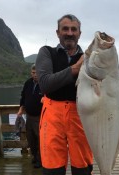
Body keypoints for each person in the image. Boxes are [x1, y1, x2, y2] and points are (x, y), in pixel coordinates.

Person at [35, 14, 93, 175]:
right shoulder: (46, 52)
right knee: (52, 168)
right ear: (57, 32)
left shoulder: (91, 58)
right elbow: (45, 84)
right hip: (52, 117)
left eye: (74, 29)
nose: (69, 33)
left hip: (81, 115)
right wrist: (76, 68)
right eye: (65, 29)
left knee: (83, 168)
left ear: (79, 33)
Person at [17, 64, 43, 168]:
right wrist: (20, 109)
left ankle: (40, 160)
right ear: (30, 73)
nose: (35, 75)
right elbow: (23, 96)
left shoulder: (44, 83)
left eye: (37, 72)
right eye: (33, 73)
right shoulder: (28, 83)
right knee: (31, 138)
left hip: (40, 117)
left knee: (40, 139)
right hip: (29, 116)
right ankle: (35, 157)